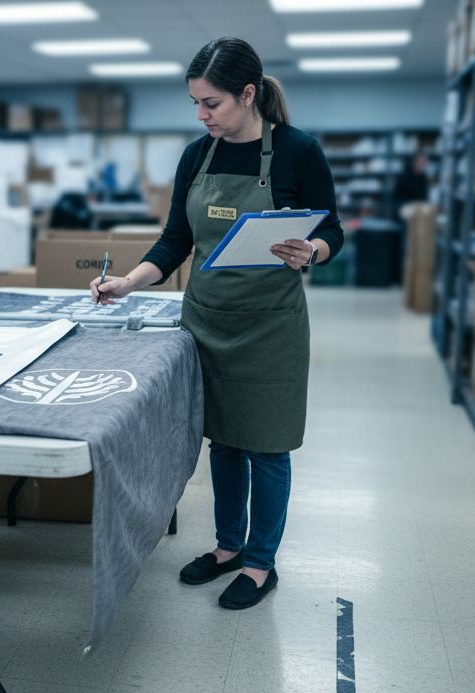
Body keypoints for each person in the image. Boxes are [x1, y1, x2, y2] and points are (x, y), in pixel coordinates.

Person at [90, 37, 342, 610]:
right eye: (196, 105)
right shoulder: (196, 156)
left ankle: (260, 563)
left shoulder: (298, 151)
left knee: (267, 447)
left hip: (271, 327)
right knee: (224, 442)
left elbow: (334, 230)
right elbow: (176, 241)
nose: (202, 116)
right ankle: (229, 548)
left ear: (247, 94)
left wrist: (314, 251)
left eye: (212, 104)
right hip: (206, 321)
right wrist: (128, 283)